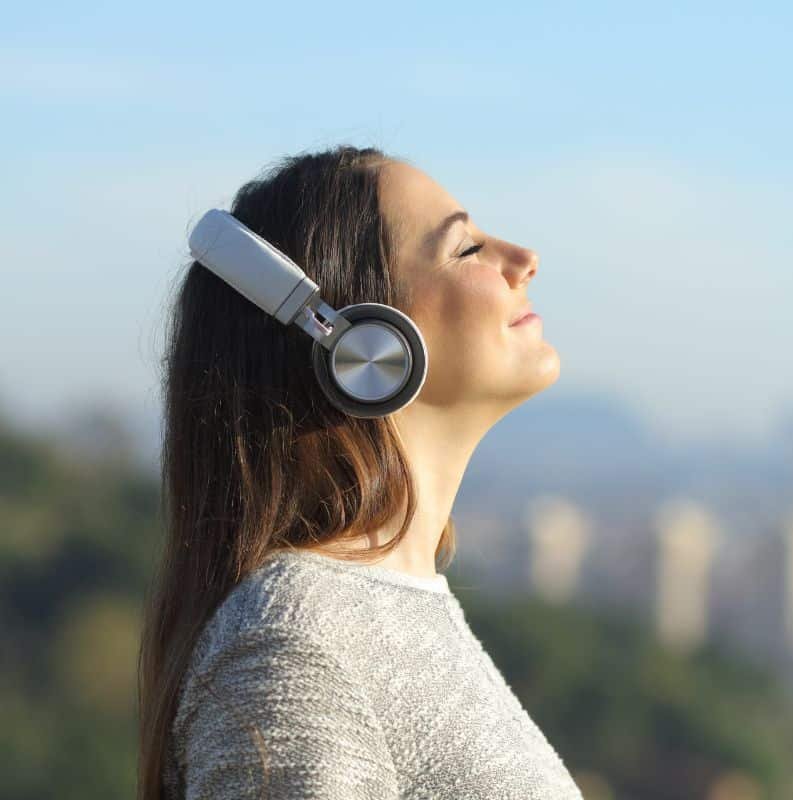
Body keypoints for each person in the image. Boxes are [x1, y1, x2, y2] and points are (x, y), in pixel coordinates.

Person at [136, 146, 578, 799]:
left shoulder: (385, 611)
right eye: (465, 250)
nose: (523, 259)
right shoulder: (293, 641)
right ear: (362, 344)